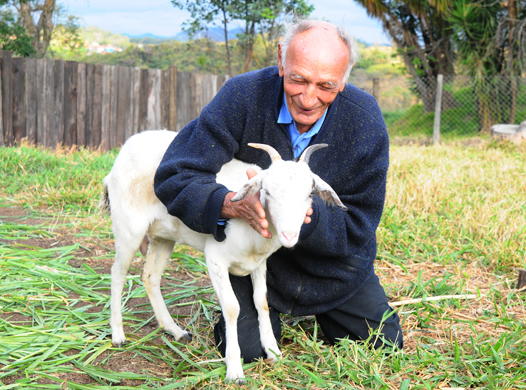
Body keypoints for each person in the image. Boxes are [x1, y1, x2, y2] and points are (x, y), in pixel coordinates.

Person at [154, 18, 403, 362]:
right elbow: (175, 173)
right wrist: (229, 204)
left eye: (326, 86)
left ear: (344, 81)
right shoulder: (242, 96)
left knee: (383, 343)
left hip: (331, 269)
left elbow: (361, 223)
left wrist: (306, 215)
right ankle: (250, 310)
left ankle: (323, 306)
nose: (309, 97)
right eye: (298, 79)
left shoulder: (365, 121)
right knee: (248, 351)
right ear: (281, 59)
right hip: (252, 256)